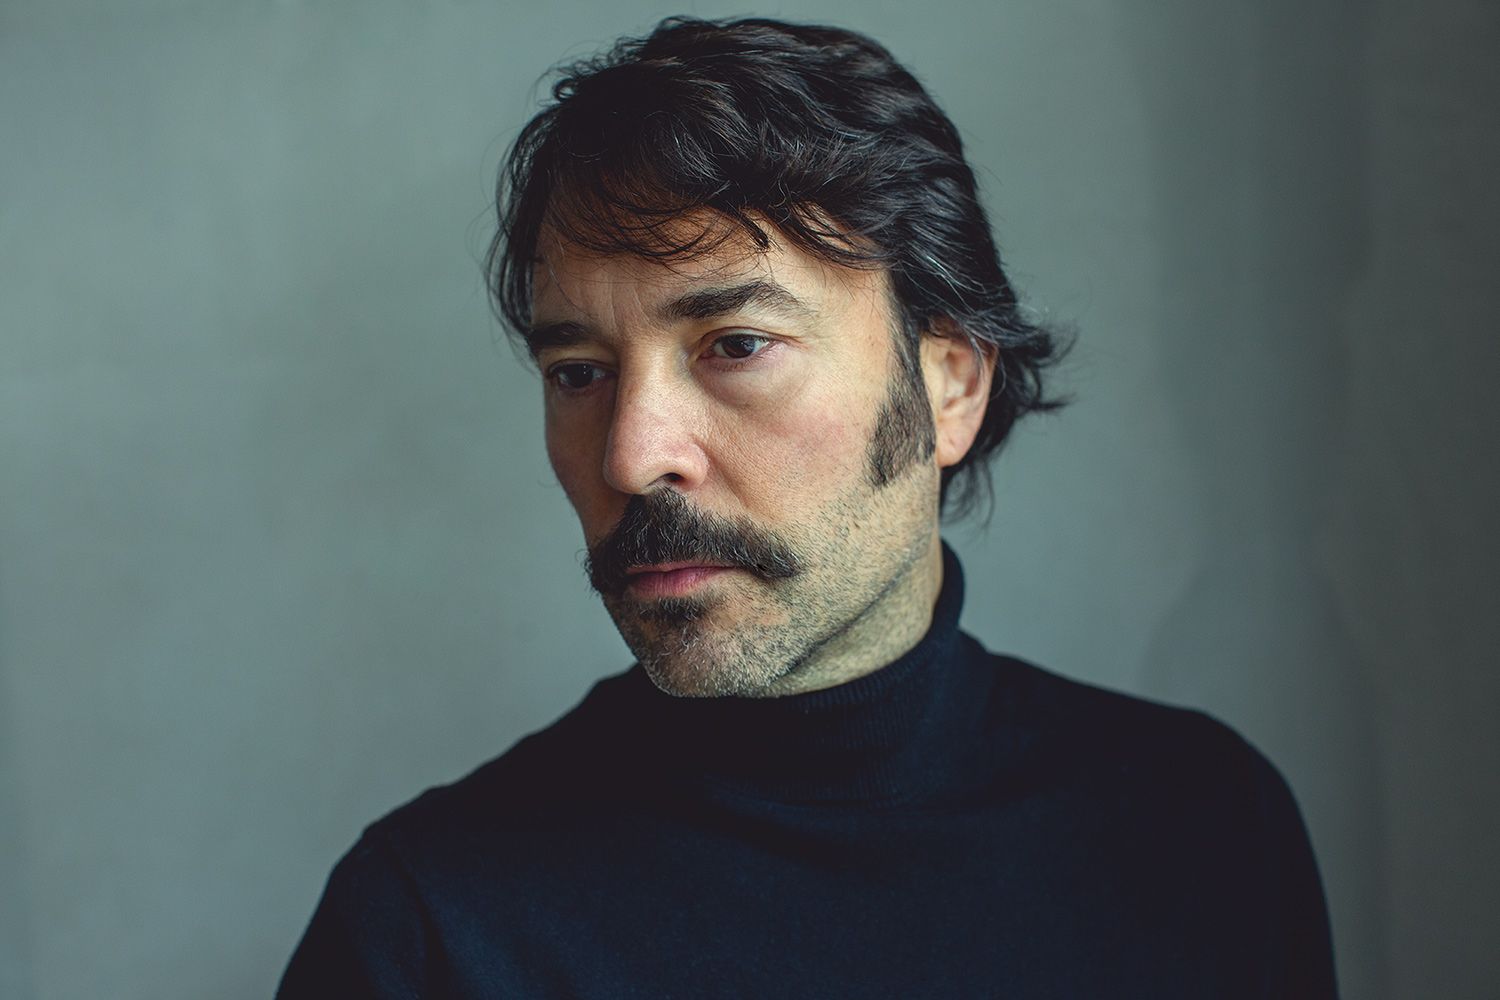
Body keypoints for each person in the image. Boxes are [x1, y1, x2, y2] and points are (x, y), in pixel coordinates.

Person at [278, 16, 1338, 998]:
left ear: (951, 387)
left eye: (736, 345)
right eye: (579, 372)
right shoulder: (428, 930)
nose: (632, 456)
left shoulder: (1204, 828)